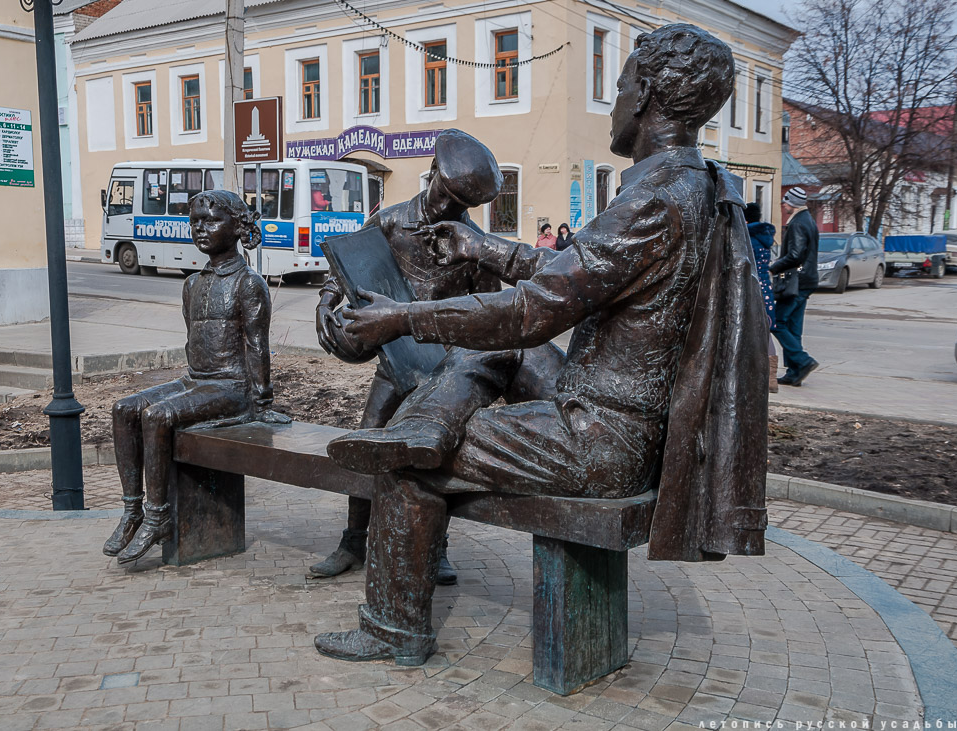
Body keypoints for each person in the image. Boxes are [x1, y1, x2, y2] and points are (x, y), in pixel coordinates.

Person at [313, 24, 768, 665]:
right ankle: (429, 424)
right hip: (615, 412)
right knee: (493, 355)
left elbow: (532, 311)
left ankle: (393, 627)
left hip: (605, 436)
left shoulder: (659, 199)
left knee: (405, 466)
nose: (612, 103)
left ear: (645, 97)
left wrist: (402, 319)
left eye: (618, 86)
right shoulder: (686, 185)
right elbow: (574, 272)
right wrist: (483, 247)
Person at [309, 129, 500, 583]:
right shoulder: (391, 221)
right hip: (395, 362)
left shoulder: (471, 243)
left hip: (445, 369)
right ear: (431, 174)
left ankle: (437, 548)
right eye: (445, 194)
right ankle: (354, 540)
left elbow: (488, 310)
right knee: (367, 438)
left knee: (437, 456)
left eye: (460, 204)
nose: (448, 208)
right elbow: (348, 263)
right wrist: (324, 302)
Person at [103, 190, 290, 564]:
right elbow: (193, 341)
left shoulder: (248, 284)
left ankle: (159, 517)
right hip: (196, 381)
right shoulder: (192, 284)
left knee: (157, 416)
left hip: (231, 389)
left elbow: (257, 347)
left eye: (211, 221)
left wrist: (262, 402)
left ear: (238, 227)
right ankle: (132, 510)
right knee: (124, 408)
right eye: (194, 222)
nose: (200, 229)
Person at [769, 186, 819, 386]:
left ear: (793, 203)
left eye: (786, 202)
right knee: (793, 326)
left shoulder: (798, 223)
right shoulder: (808, 220)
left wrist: (773, 268)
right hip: (806, 281)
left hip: (795, 282)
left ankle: (802, 361)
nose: (783, 205)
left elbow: (795, 255)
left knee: (778, 322)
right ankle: (795, 371)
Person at [745, 202, 778, 392]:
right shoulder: (764, 237)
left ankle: (758, 376)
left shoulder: (748, 237)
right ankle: (771, 378)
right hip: (766, 289)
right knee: (765, 333)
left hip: (752, 289)